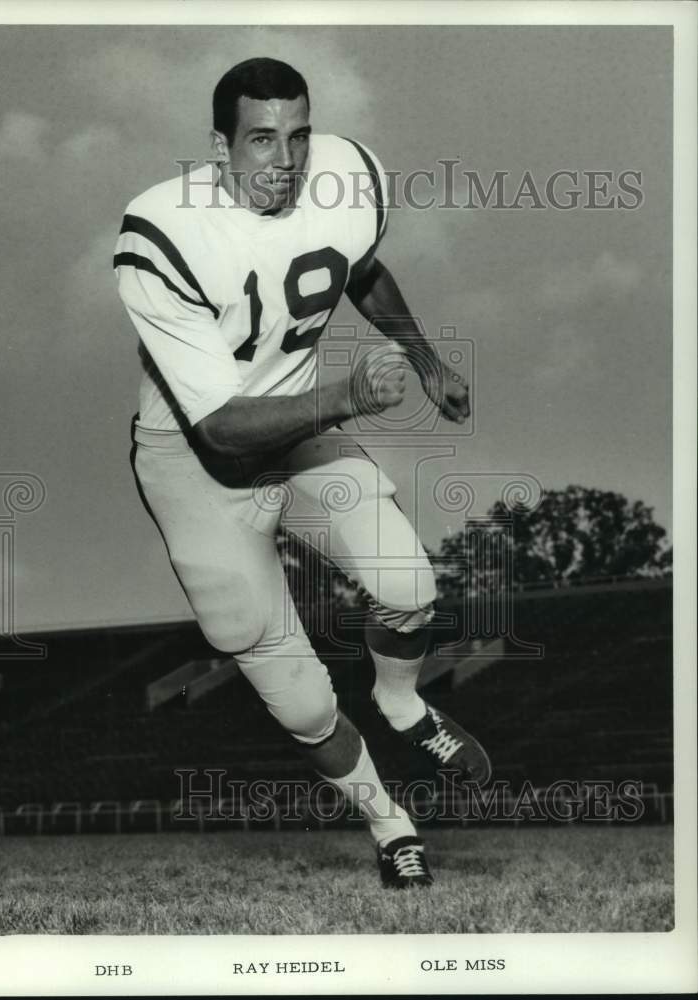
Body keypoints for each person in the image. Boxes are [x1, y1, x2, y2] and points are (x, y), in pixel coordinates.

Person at [114, 57, 490, 888]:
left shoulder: (342, 177)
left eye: (297, 136)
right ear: (218, 147)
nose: (283, 161)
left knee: (410, 584)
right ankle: (390, 823)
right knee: (305, 704)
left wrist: (425, 361)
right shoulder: (159, 233)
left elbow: (356, 267)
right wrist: (350, 393)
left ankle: (400, 700)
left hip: (300, 428)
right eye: (260, 140)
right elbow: (219, 426)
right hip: (194, 462)